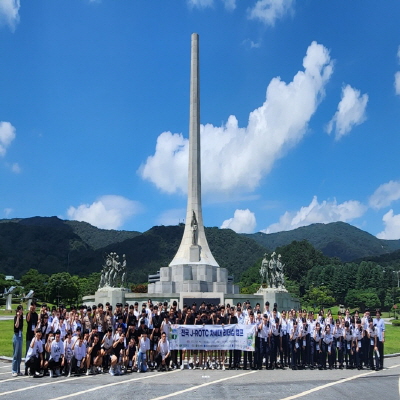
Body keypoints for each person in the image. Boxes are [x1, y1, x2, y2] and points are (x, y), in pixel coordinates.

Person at [12, 305, 24, 377]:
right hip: (16, 335)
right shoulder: (16, 317)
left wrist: (20, 317)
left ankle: (18, 370)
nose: (21, 311)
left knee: (19, 354)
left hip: (20, 335)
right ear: (18, 311)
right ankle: (14, 370)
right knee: (15, 354)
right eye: (20, 310)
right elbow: (16, 326)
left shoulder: (22, 317)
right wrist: (18, 317)